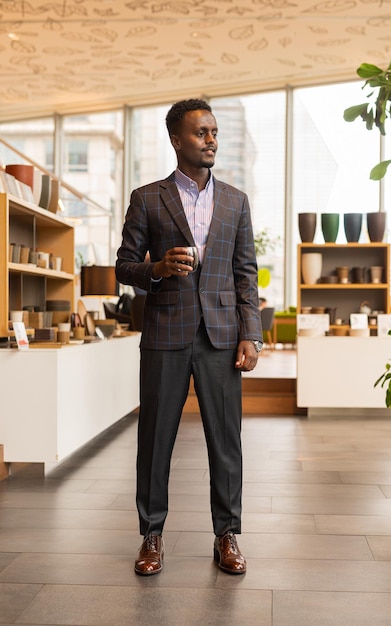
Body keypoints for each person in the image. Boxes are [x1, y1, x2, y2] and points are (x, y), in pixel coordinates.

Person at [116, 98, 263, 577]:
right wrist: (155, 269)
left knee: (226, 441)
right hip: (165, 333)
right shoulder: (146, 198)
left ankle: (227, 535)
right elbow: (123, 266)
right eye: (201, 133)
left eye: (214, 132)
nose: (211, 140)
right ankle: (151, 534)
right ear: (177, 140)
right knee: (156, 438)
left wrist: (251, 335)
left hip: (221, 336)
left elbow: (246, 274)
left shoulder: (237, 201)